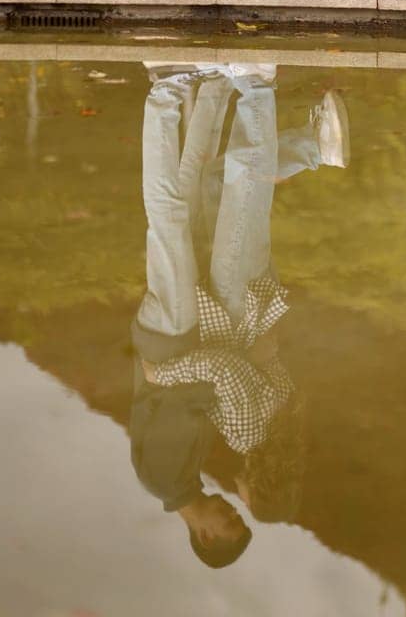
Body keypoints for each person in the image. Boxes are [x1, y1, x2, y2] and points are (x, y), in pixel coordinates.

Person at [129, 61, 348, 566]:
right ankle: (240, 86)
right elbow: (218, 376)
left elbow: (235, 370)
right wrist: (179, 370)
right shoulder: (226, 449)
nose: (234, 508)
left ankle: (209, 91)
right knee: (221, 194)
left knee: (197, 199)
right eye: (242, 512)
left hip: (213, 324)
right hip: (207, 323)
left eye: (229, 522)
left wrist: (234, 357)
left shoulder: (175, 473)